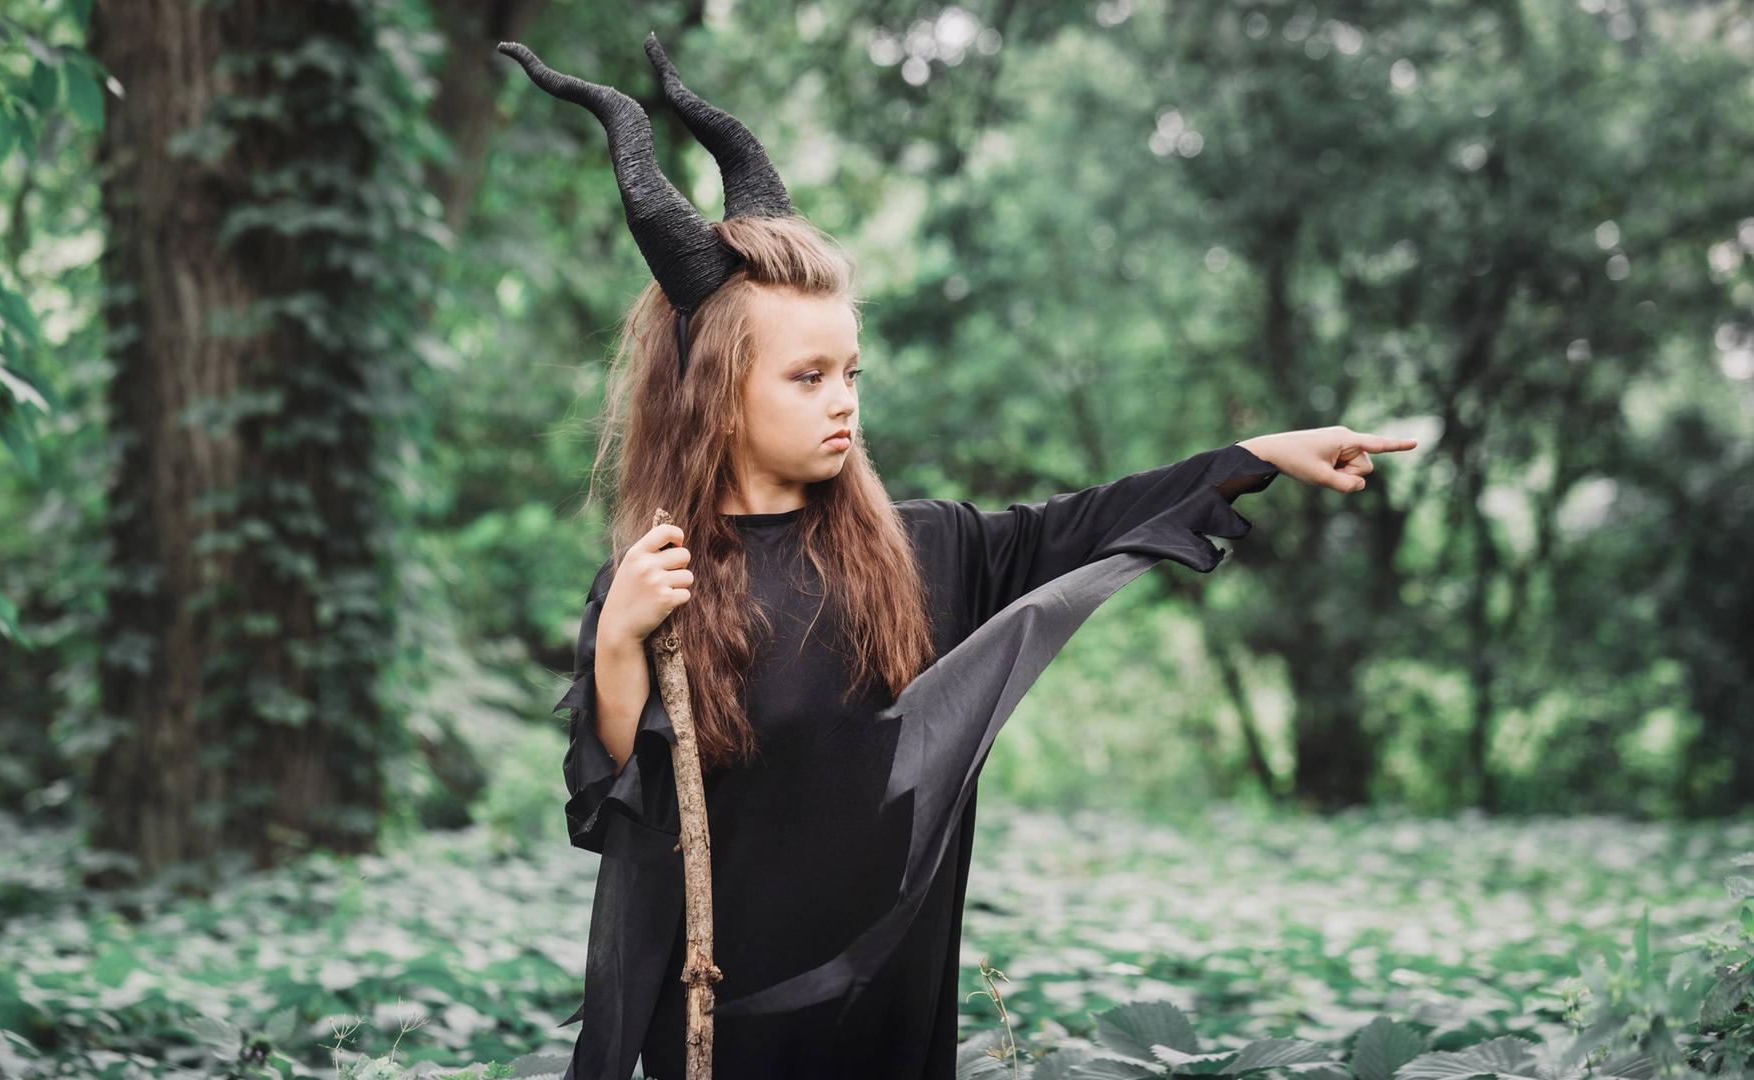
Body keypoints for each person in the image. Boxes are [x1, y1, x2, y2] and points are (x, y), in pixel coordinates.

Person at [498, 35, 1416, 1080]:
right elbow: (614, 807)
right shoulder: (654, 580)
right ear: (716, 395)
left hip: (877, 1019)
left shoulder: (922, 550)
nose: (843, 397)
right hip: (713, 1022)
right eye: (807, 377)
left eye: (852, 368)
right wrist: (621, 636)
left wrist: (1252, 457)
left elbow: (1083, 522)